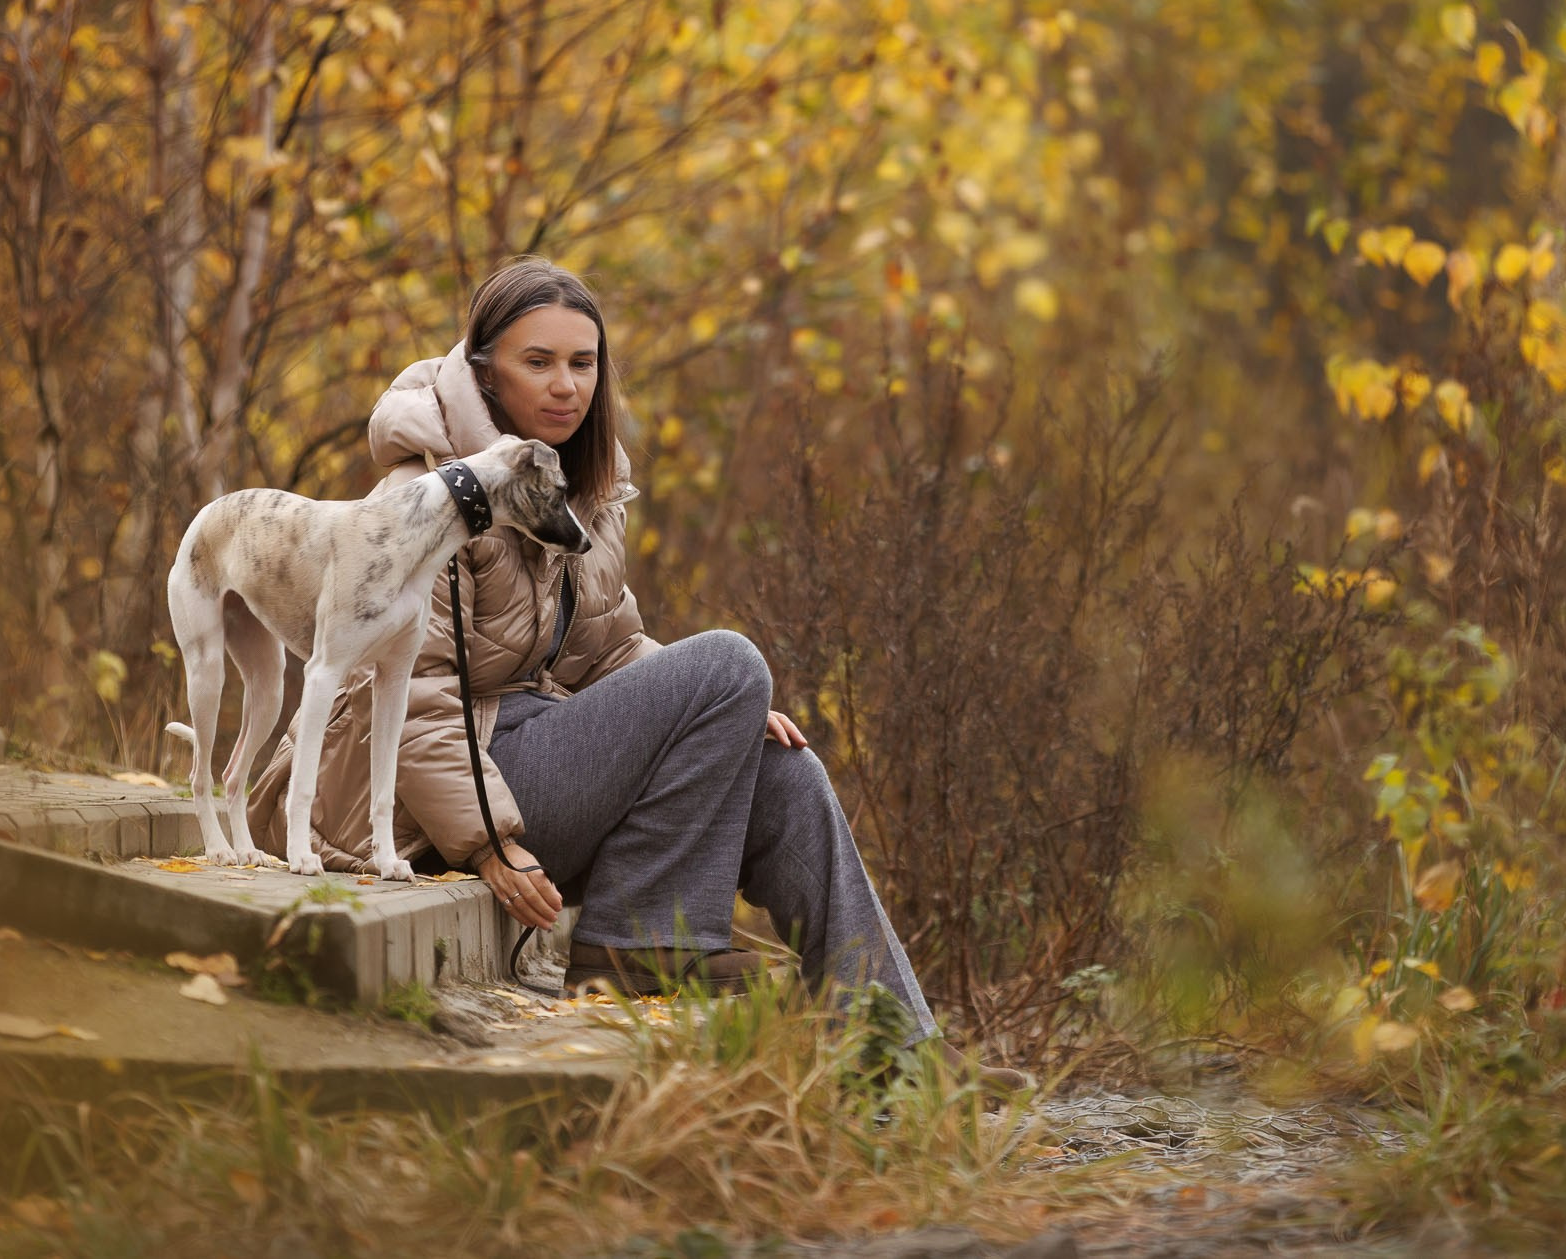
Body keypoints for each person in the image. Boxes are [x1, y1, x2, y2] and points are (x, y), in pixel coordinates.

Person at [245, 258, 1007, 1078]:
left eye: (583, 362)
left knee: (782, 768)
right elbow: (419, 700)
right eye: (537, 361)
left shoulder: (582, 489)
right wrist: (490, 844)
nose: (566, 384)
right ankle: (639, 944)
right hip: (412, 806)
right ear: (482, 370)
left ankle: (897, 1049)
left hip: (528, 750)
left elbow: (611, 649)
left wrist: (723, 712)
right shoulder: (430, 496)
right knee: (730, 660)